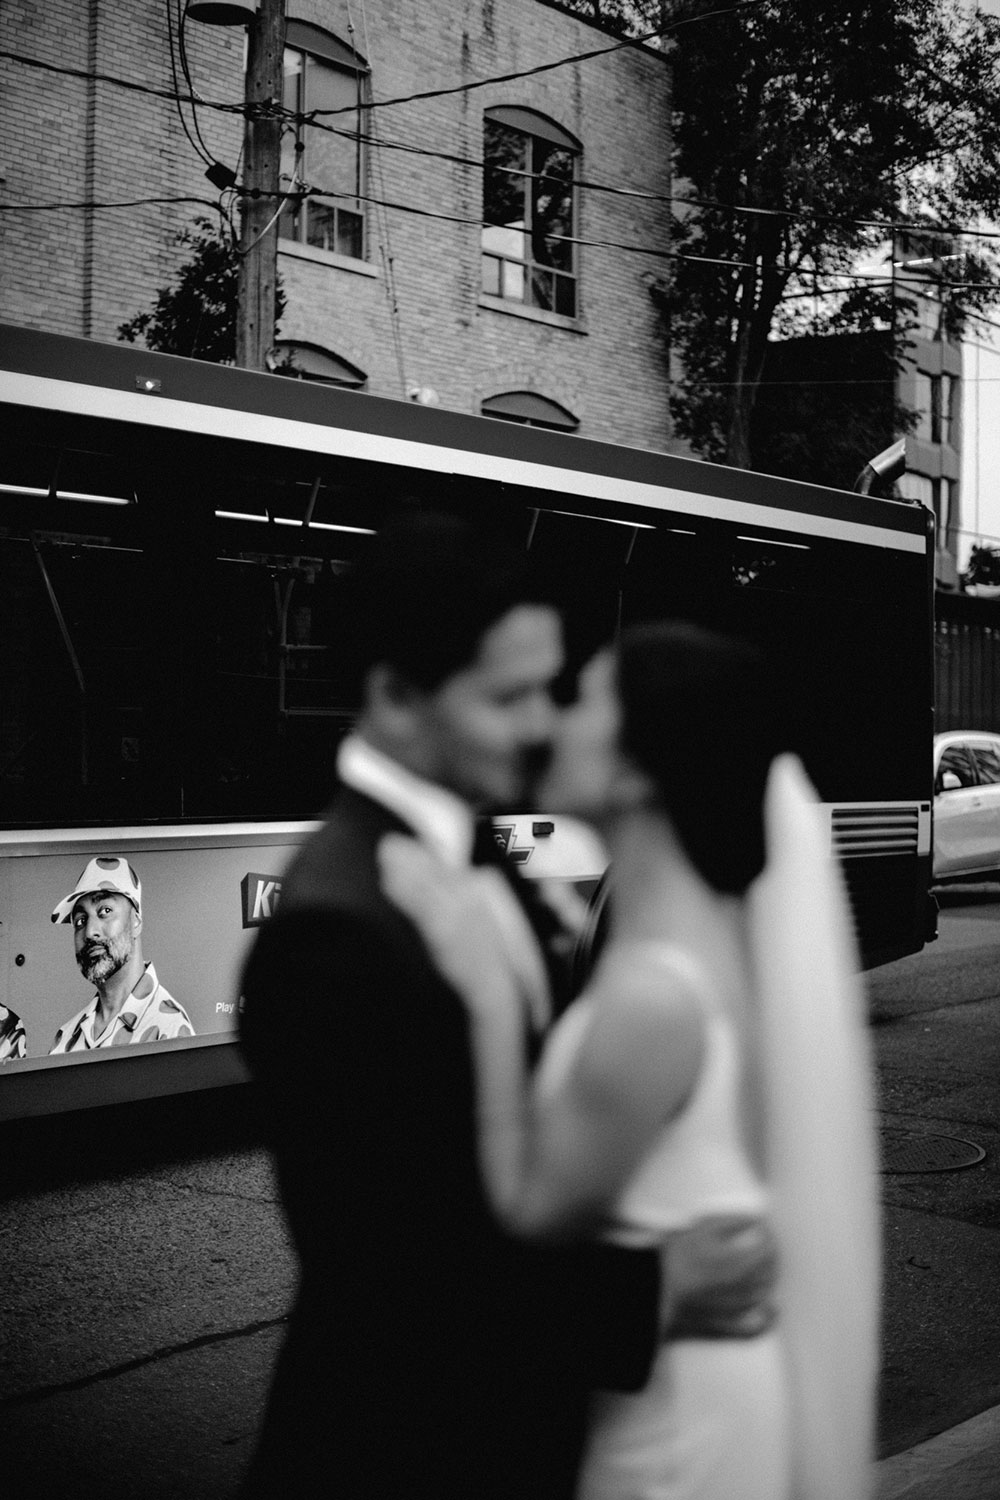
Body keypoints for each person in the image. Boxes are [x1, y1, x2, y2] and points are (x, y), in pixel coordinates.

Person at [237, 514, 780, 1500]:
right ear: (397, 695)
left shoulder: (482, 850)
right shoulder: (334, 932)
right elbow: (393, 1279)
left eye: (551, 686)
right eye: (509, 696)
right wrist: (659, 1293)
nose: (542, 724)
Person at [380, 620, 881, 1500]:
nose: (549, 720)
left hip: (670, 1422)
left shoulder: (654, 998)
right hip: (699, 1384)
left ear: (639, 769)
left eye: (582, 700)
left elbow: (532, 1209)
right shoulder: (713, 944)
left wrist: (494, 1003)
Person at [50, 856, 195, 1051]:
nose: (90, 931)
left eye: (105, 911)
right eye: (80, 920)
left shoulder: (168, 1029)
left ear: (136, 922)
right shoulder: (66, 1038)